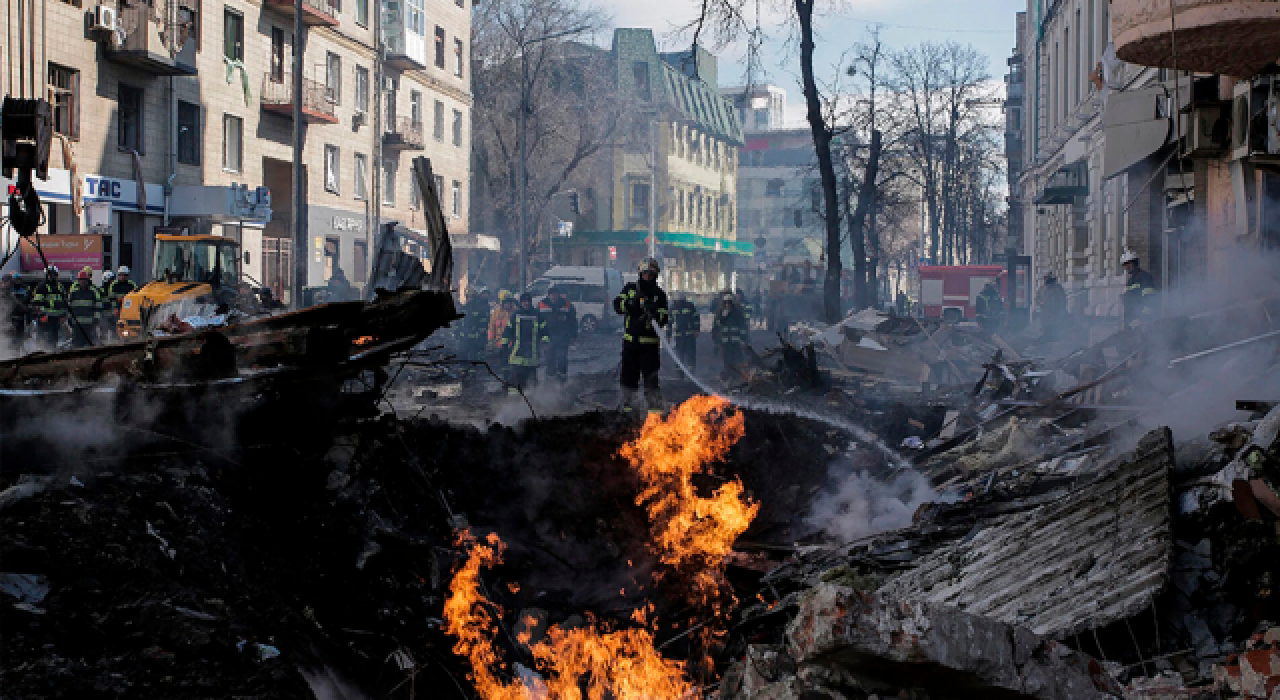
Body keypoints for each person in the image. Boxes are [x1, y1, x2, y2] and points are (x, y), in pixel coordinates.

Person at [613, 257, 669, 414]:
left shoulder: (659, 295)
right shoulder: (630, 288)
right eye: (645, 274)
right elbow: (617, 306)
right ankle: (628, 412)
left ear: (656, 275)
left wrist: (654, 312)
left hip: (649, 347)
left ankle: (655, 415)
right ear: (640, 273)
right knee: (628, 380)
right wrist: (630, 304)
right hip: (630, 345)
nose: (648, 277)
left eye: (651, 274)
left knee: (651, 381)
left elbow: (664, 319)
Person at [499, 292, 548, 392]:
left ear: (530, 302)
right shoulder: (515, 315)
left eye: (528, 301)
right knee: (515, 379)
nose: (526, 303)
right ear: (521, 302)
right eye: (524, 301)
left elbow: (545, 332)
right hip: (517, 354)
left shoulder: (537, 315)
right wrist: (504, 346)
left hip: (532, 355)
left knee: (531, 381)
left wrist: (545, 344)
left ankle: (529, 402)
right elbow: (508, 330)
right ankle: (513, 402)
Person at [538, 285, 578, 382]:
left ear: (558, 295)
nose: (553, 297)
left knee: (562, 358)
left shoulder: (567, 305)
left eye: (555, 294)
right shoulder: (541, 305)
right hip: (548, 337)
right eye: (551, 295)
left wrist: (573, 336)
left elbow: (573, 321)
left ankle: (562, 380)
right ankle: (549, 381)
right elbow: (537, 321)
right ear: (548, 295)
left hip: (563, 337)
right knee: (549, 359)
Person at [712, 290, 750, 379]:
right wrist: (716, 342)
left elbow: (743, 327)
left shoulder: (737, 312)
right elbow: (717, 327)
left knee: (737, 359)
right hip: (725, 342)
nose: (727, 305)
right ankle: (729, 374)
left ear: (732, 303)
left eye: (729, 303)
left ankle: (737, 375)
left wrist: (744, 340)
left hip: (736, 341)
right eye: (725, 303)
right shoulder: (720, 313)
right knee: (727, 359)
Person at [31, 266, 68, 349]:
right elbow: (37, 303)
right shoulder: (41, 286)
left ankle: (52, 354)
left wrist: (64, 315)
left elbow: (65, 302)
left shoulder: (60, 287)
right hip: (45, 317)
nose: (52, 276)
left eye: (54, 275)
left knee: (54, 339)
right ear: (46, 275)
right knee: (42, 338)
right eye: (50, 275)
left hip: (57, 318)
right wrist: (41, 315)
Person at [67, 268, 103, 348]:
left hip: (89, 325)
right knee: (76, 346)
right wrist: (69, 318)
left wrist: (96, 319)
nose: (82, 282)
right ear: (78, 281)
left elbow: (98, 307)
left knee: (91, 345)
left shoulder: (94, 292)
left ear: (87, 281)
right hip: (77, 325)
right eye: (81, 280)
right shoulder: (73, 293)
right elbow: (69, 308)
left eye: (84, 280)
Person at [1120, 250, 1157, 329]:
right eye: (1125, 265)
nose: (1127, 267)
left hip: (1142, 322)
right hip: (1130, 321)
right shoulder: (1130, 281)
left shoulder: (1144, 277)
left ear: (1135, 263)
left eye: (1129, 263)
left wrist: (1142, 319)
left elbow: (1149, 300)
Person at [668, 292, 700, 371]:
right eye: (676, 301)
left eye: (678, 301)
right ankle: (679, 372)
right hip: (679, 335)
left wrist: (696, 329)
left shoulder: (690, 306)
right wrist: (668, 335)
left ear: (683, 300)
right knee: (679, 354)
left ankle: (691, 371)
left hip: (690, 335)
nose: (677, 303)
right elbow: (669, 323)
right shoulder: (672, 308)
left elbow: (696, 318)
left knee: (690, 353)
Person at [458, 287, 491, 362]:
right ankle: (464, 370)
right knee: (463, 354)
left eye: (471, 297)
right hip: (463, 337)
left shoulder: (479, 308)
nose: (469, 298)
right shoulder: (464, 308)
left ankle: (472, 371)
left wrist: (480, 334)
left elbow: (483, 323)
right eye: (468, 296)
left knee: (473, 355)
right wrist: (457, 332)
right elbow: (458, 321)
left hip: (475, 338)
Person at [1, 273, 30, 351]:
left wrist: (30, 310)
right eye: (10, 282)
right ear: (4, 282)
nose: (12, 285)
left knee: (15, 343)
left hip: (10, 322)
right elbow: (13, 306)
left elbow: (18, 305)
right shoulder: (3, 294)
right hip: (5, 324)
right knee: (10, 344)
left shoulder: (8, 293)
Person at [1038, 273, 1068, 340]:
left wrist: (1062, 310)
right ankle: (1046, 336)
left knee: (1054, 324)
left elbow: (1062, 299)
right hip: (1045, 310)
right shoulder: (1042, 288)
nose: (1045, 280)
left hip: (1055, 310)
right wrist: (1040, 302)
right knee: (1045, 324)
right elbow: (1038, 298)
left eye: (1046, 278)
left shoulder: (1058, 288)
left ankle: (1054, 337)